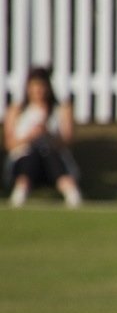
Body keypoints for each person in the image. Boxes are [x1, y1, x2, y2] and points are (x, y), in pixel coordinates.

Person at [4, 66, 82, 208]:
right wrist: (30, 136)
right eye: (34, 86)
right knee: (30, 157)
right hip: (25, 159)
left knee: (49, 154)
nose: (38, 90)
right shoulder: (17, 110)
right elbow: (9, 144)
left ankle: (71, 194)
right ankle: (20, 192)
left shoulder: (60, 109)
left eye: (42, 86)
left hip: (52, 158)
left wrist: (47, 135)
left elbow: (68, 141)